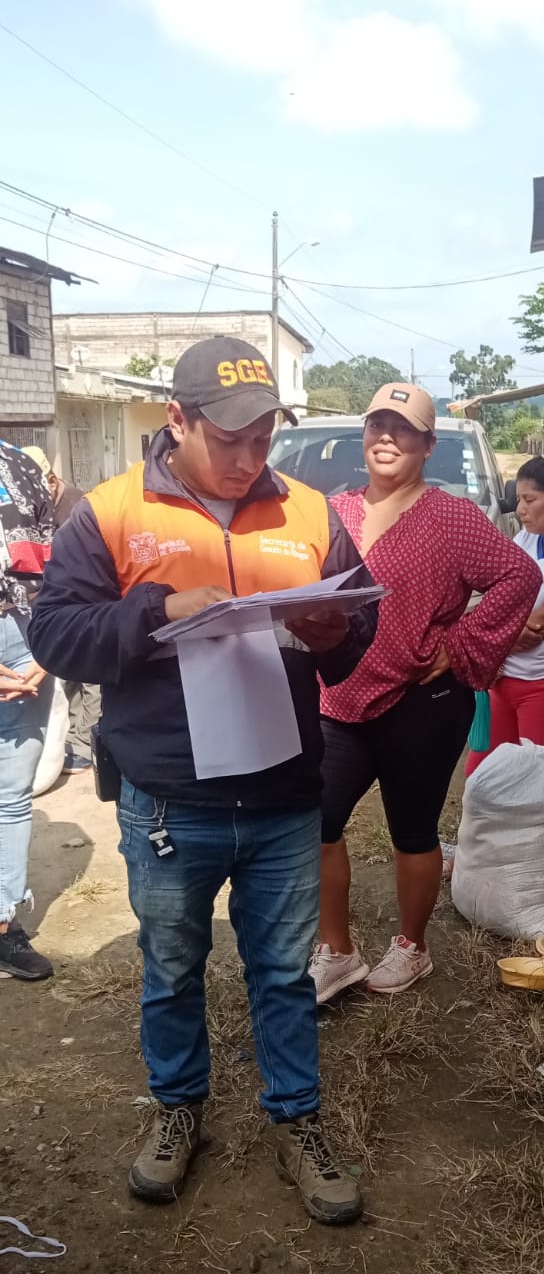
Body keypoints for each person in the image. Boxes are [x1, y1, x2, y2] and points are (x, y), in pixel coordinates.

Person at [30, 336, 378, 1223]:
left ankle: (296, 1119)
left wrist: (337, 633)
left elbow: (358, 628)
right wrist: (155, 610)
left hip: (284, 795)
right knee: (172, 966)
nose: (249, 458)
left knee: (284, 974)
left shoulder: (309, 511)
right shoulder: (109, 512)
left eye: (263, 438)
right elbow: (56, 635)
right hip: (168, 800)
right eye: (229, 440)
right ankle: (178, 1109)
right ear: (176, 420)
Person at [309, 383, 542, 1004]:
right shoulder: (333, 511)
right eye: (377, 425)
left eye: (404, 428)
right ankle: (337, 949)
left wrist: (460, 644)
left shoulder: (452, 517)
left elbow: (519, 575)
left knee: (411, 829)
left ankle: (412, 946)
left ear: (427, 444)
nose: (387, 437)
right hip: (337, 696)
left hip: (422, 703)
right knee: (317, 822)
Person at [464, 455, 544, 775]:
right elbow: (496, 597)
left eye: (530, 499)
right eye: (519, 498)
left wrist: (495, 636)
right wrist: (503, 636)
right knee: (481, 775)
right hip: (505, 679)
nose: (520, 509)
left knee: (532, 782)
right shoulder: (525, 539)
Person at [0, 440, 54, 982]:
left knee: (12, 793)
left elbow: (55, 565)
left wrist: (48, 649)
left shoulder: (17, 464)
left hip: (24, 639)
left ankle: (2, 922)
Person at [24, 446, 98, 774]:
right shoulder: (39, 507)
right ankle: (74, 736)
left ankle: (85, 744)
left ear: (51, 481)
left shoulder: (79, 508)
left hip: (89, 603)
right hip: (57, 604)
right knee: (68, 675)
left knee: (91, 679)